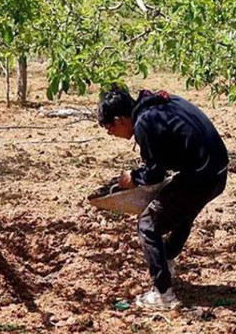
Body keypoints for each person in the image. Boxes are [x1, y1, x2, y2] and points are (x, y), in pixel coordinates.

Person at [97, 86, 229, 310]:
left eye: (109, 129)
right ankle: (166, 263)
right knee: (182, 211)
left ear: (119, 120)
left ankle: (163, 295)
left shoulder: (145, 123)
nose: (111, 134)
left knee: (148, 224)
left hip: (202, 176)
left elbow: (155, 173)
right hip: (218, 172)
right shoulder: (157, 105)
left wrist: (134, 177)